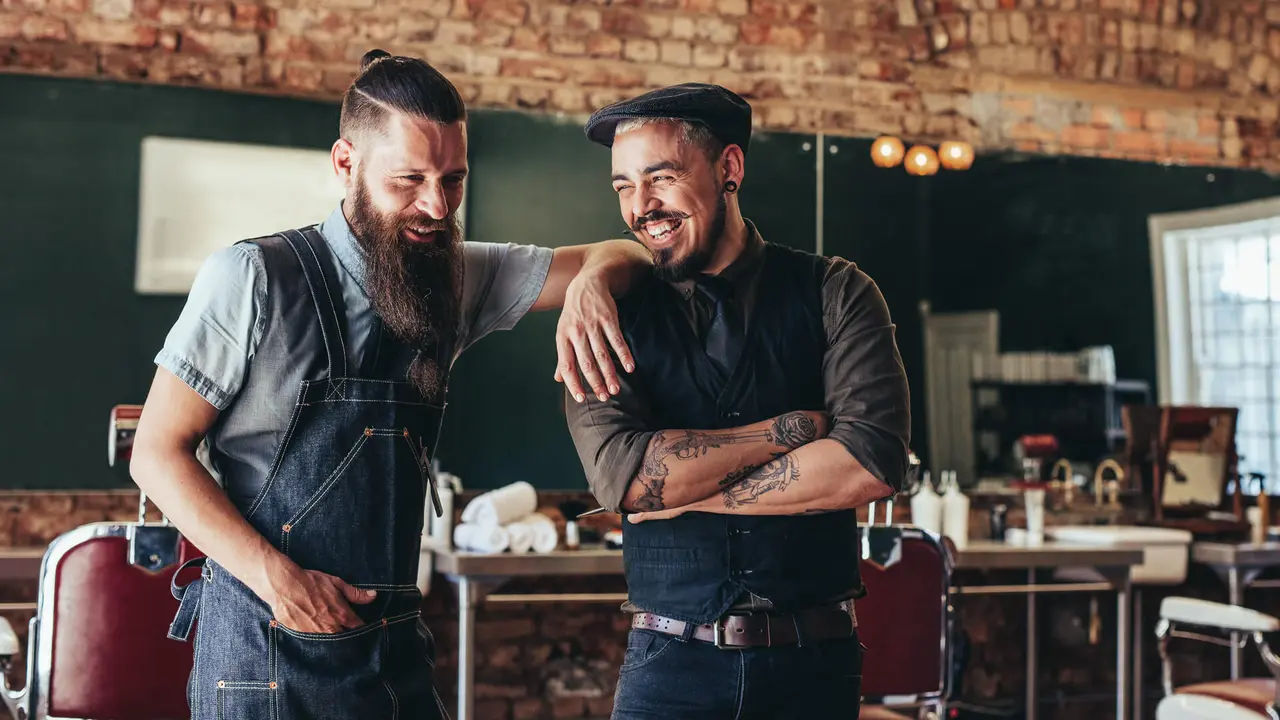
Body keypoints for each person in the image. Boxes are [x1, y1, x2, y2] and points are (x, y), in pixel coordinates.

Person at [129, 50, 651, 720]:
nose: (436, 206)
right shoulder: (252, 276)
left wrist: (590, 286)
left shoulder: (456, 277)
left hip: (390, 656)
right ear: (345, 163)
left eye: (453, 180)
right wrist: (278, 580)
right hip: (261, 659)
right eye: (410, 180)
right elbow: (156, 452)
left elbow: (630, 252)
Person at [562, 83, 912, 719]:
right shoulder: (606, 318)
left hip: (814, 665)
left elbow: (868, 460)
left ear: (728, 168)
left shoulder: (838, 291)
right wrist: (792, 431)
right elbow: (630, 479)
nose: (640, 207)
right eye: (622, 186)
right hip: (668, 669)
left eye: (661, 178)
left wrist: (678, 498)